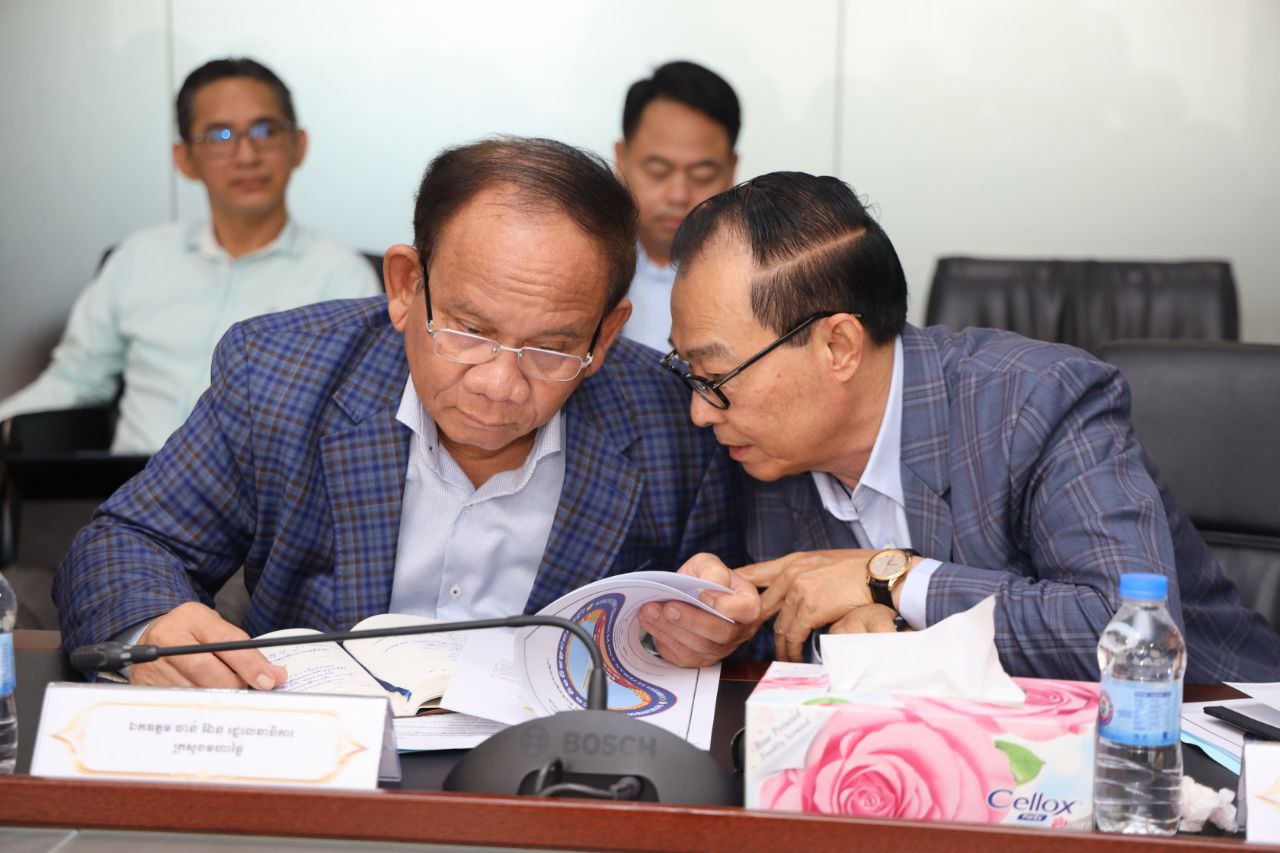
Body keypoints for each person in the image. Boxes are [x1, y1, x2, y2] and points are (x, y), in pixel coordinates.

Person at [54, 137, 754, 690]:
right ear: (404, 285)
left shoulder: (676, 422)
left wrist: (712, 626)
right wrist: (152, 625)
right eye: (469, 331)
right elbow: (124, 543)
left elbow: (734, 608)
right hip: (327, 762)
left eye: (551, 347)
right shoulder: (279, 373)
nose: (500, 384)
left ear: (604, 334)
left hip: (550, 775)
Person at [641, 170, 1280, 682]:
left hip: (1210, 748)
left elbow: (1127, 632)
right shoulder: (757, 447)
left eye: (716, 375)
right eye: (688, 371)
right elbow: (791, 627)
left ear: (838, 346)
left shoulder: (1037, 401)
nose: (700, 409)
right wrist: (717, 625)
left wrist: (889, 578)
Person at [0, 57, 381, 453]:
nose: (247, 155)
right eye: (219, 136)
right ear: (184, 159)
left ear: (298, 146)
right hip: (132, 486)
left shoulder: (342, 277)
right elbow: (74, 380)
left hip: (265, 490)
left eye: (265, 130)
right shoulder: (138, 258)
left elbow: (356, 418)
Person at [614, 61, 739, 352]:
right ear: (621, 158)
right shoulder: (584, 260)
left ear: (731, 169)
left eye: (702, 175)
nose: (679, 195)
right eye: (658, 171)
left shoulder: (762, 273)